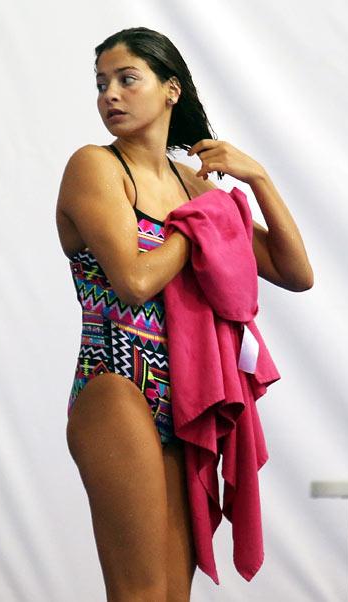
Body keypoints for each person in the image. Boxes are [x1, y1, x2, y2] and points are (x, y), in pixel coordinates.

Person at [55, 27, 313, 602]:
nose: (110, 96)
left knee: (174, 597)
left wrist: (258, 179)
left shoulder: (194, 186)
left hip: (186, 403)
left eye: (127, 79)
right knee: (141, 595)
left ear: (171, 91)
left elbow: (296, 274)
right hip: (116, 388)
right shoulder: (96, 168)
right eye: (101, 85)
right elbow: (136, 279)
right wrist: (200, 222)